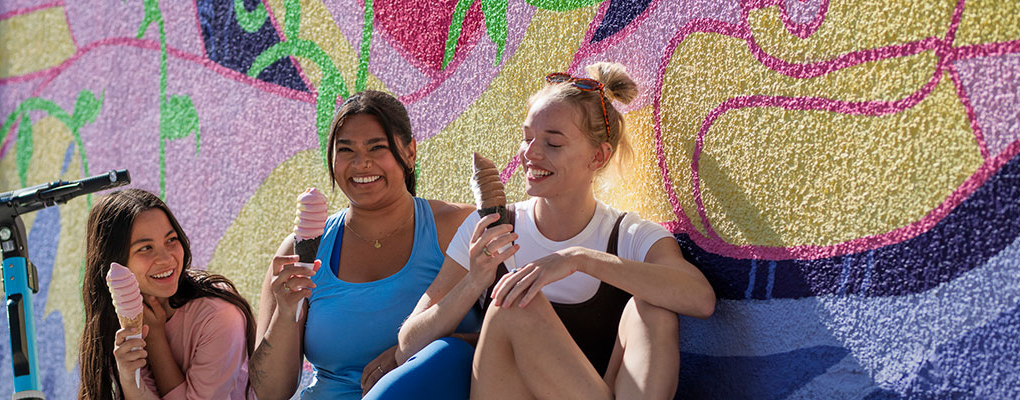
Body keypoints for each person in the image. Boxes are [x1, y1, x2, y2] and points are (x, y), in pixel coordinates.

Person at [384, 62, 715, 399]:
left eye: (553, 144)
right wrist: (475, 281)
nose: (531, 154)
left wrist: (579, 259)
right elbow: (408, 344)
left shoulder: (628, 235)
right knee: (513, 303)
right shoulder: (490, 228)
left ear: (598, 157)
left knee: (653, 309)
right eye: (528, 138)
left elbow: (700, 300)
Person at [249, 90, 476, 400]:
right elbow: (270, 392)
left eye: (377, 147)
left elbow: (508, 335)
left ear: (410, 152)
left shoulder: (459, 228)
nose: (361, 163)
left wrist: (405, 353)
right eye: (346, 150)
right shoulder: (299, 251)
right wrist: (286, 314)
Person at [77, 189, 257, 400]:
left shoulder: (219, 316)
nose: (166, 259)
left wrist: (154, 341)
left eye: (171, 240)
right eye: (145, 248)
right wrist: (130, 376)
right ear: (112, 261)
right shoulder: (113, 323)